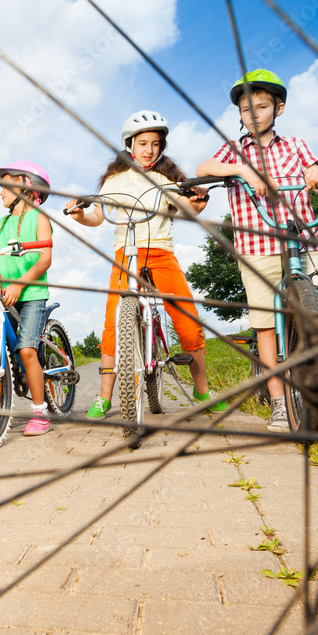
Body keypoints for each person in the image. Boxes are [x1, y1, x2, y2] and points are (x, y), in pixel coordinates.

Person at [196, 70, 318, 430]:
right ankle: (280, 403)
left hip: (301, 239)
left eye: (261, 106)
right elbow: (204, 168)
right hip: (257, 245)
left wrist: (317, 179)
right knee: (266, 326)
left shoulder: (296, 145)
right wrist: (240, 169)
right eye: (245, 109)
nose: (253, 114)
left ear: (278, 109)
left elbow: (315, 178)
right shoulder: (235, 149)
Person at [66, 111, 210, 418]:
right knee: (112, 324)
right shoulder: (113, 181)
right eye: (143, 143)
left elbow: (187, 208)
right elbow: (98, 217)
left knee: (187, 318)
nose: (149, 150)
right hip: (125, 255)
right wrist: (80, 215)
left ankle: (202, 389)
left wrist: (198, 200)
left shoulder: (167, 179)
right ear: (129, 144)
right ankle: (104, 398)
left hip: (161, 253)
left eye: (155, 144)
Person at [0, 161, 53, 436]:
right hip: (6, 296)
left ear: (26, 184)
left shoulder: (39, 216)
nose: (1, 191)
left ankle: (40, 412)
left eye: (6, 185)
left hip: (31, 294)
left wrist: (17, 285)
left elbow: (45, 259)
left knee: (26, 350)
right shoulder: (1, 222)